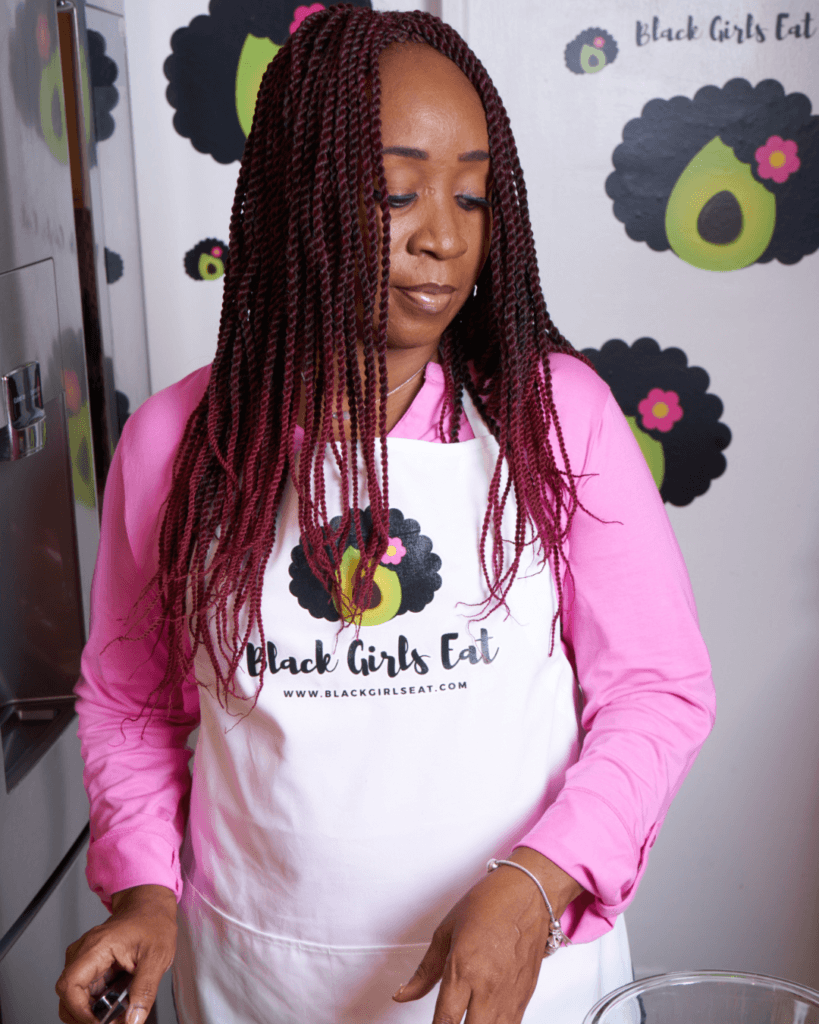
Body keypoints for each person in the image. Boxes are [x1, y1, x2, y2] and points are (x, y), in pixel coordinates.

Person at [56, 8, 715, 1024]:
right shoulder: (176, 445)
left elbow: (658, 692)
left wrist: (540, 881)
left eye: (470, 193)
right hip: (267, 984)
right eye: (397, 192)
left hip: (520, 979)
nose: (444, 236)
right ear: (296, 199)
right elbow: (135, 704)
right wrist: (145, 888)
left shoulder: (556, 418)